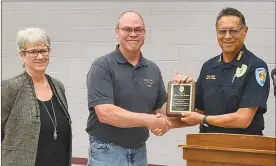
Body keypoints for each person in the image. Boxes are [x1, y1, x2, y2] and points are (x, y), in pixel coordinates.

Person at [86, 11, 192, 166]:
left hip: (139, 152)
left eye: (138, 30)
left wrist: (181, 93)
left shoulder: (152, 69)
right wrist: (150, 121)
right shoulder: (103, 66)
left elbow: (161, 112)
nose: (133, 34)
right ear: (117, 32)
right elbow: (106, 113)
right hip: (107, 152)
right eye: (127, 29)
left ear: (144, 33)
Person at [180, 7, 270, 135]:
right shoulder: (208, 67)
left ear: (245, 31)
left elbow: (243, 119)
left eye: (233, 31)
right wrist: (166, 122)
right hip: (208, 144)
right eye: (222, 31)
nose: (227, 36)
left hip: (243, 147)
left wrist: (203, 119)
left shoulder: (255, 67)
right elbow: (198, 112)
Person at [1, 28, 72, 166]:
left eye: (44, 50)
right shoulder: (9, 88)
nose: (40, 56)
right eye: (33, 51)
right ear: (22, 55)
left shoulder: (58, 86)